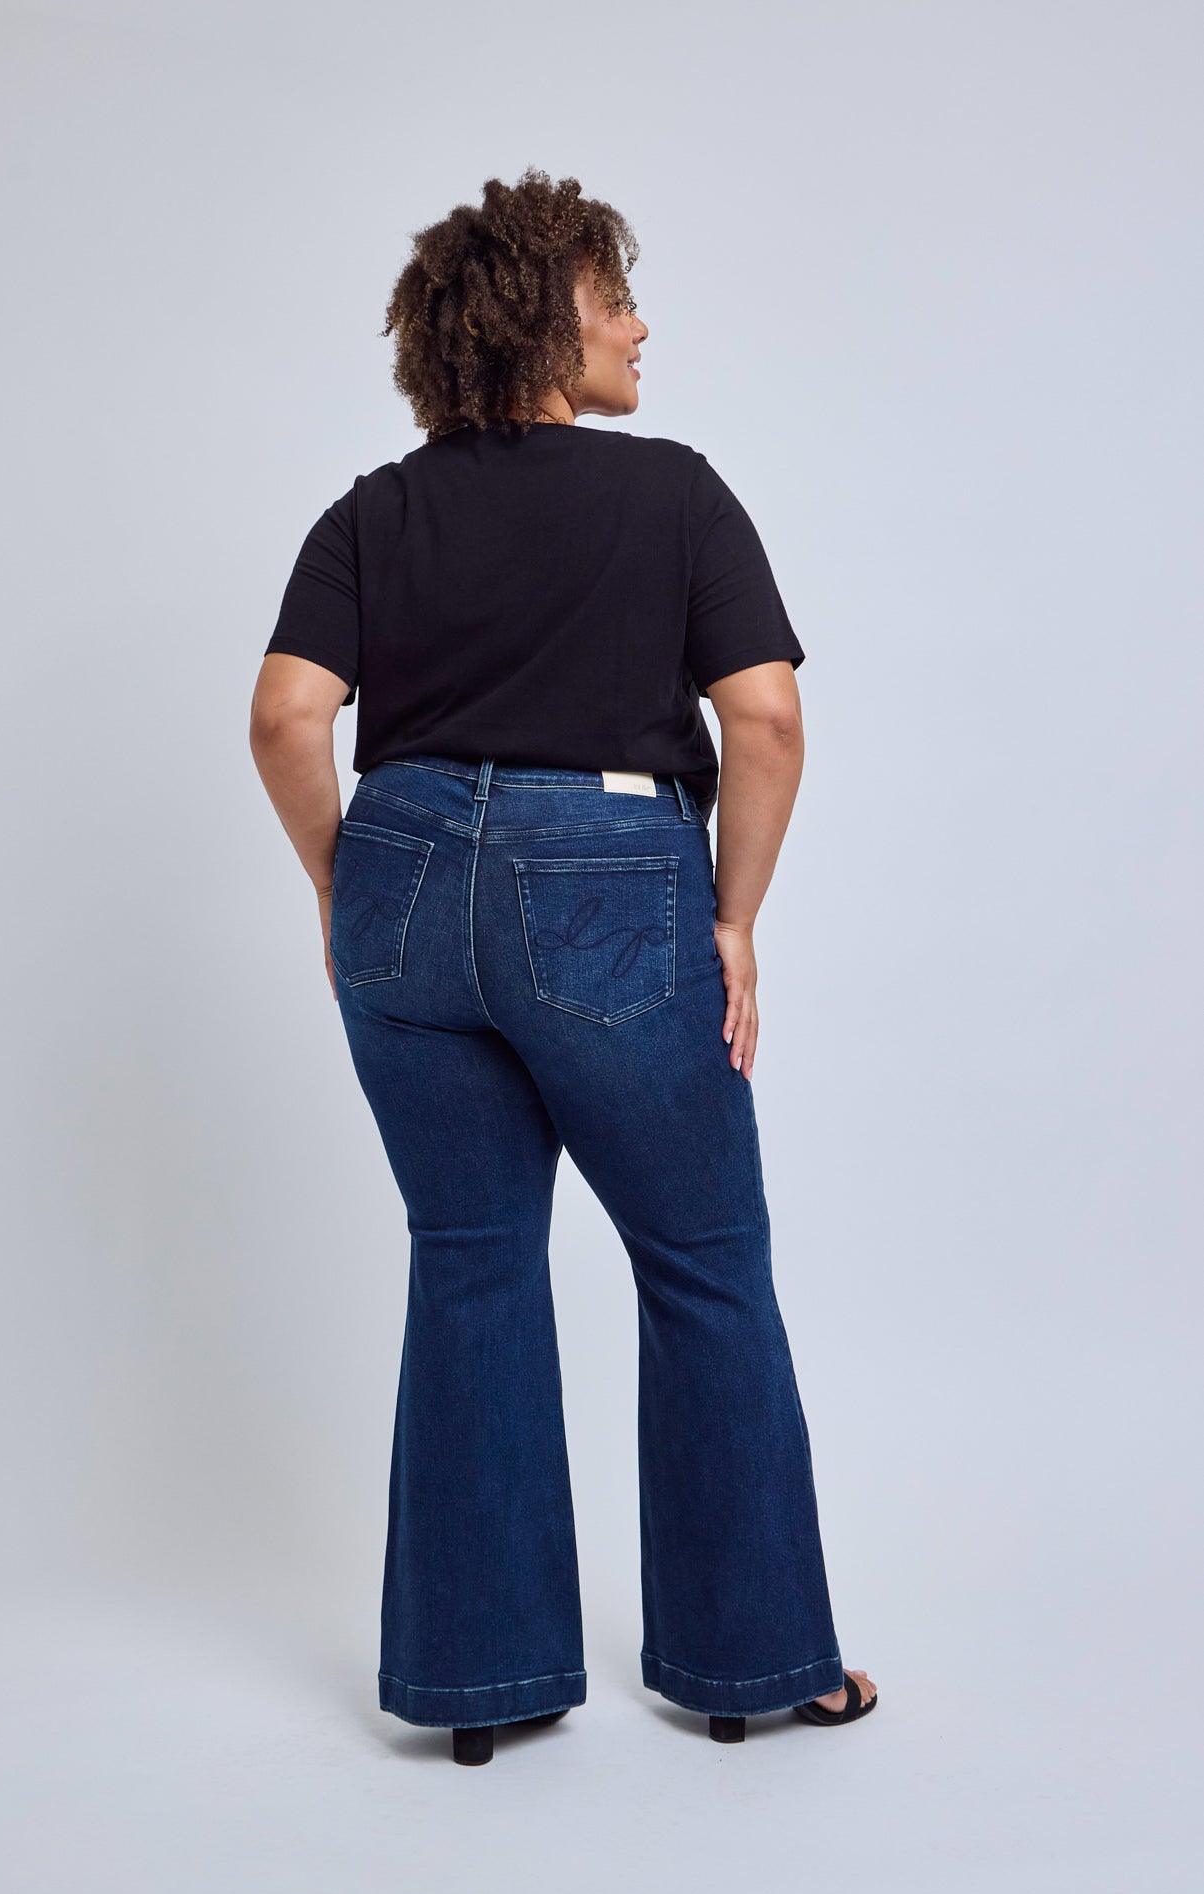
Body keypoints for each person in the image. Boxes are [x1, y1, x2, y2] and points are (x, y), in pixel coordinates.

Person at [249, 168, 877, 1766]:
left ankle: (483, 1691)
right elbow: (767, 719)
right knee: (700, 1261)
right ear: (548, 327)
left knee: (467, 1263)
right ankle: (756, 1666)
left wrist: (345, 888)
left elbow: (283, 717)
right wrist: (730, 920)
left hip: (395, 879)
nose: (639, 324)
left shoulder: (371, 511)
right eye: (614, 302)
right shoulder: (669, 493)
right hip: (603, 875)